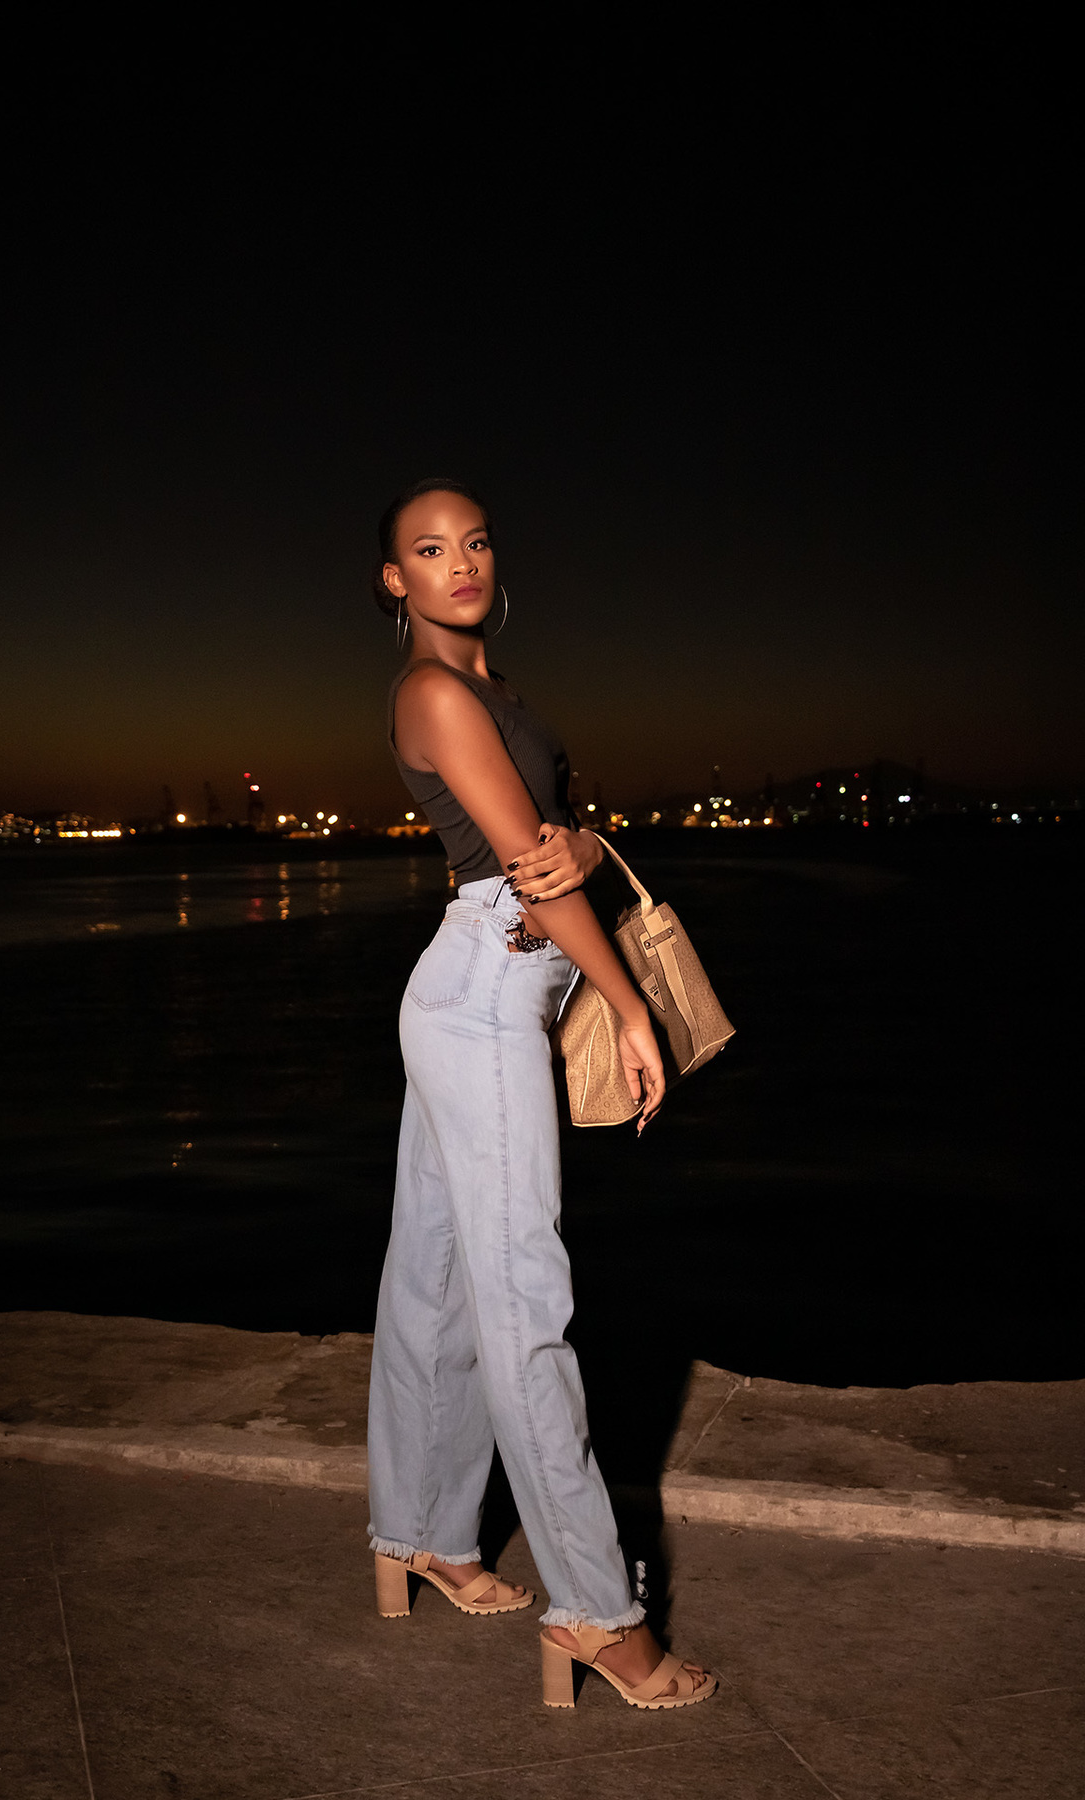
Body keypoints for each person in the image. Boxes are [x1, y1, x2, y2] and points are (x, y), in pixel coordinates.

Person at [366, 479, 715, 1712]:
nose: (459, 562)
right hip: (485, 989)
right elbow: (524, 866)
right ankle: (596, 1613)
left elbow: (555, 836)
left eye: (473, 542)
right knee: (526, 1299)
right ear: (395, 580)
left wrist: (584, 840)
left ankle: (420, 1533)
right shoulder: (432, 692)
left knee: (434, 1273)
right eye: (429, 549)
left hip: (480, 986)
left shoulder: (500, 693)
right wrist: (629, 1006)